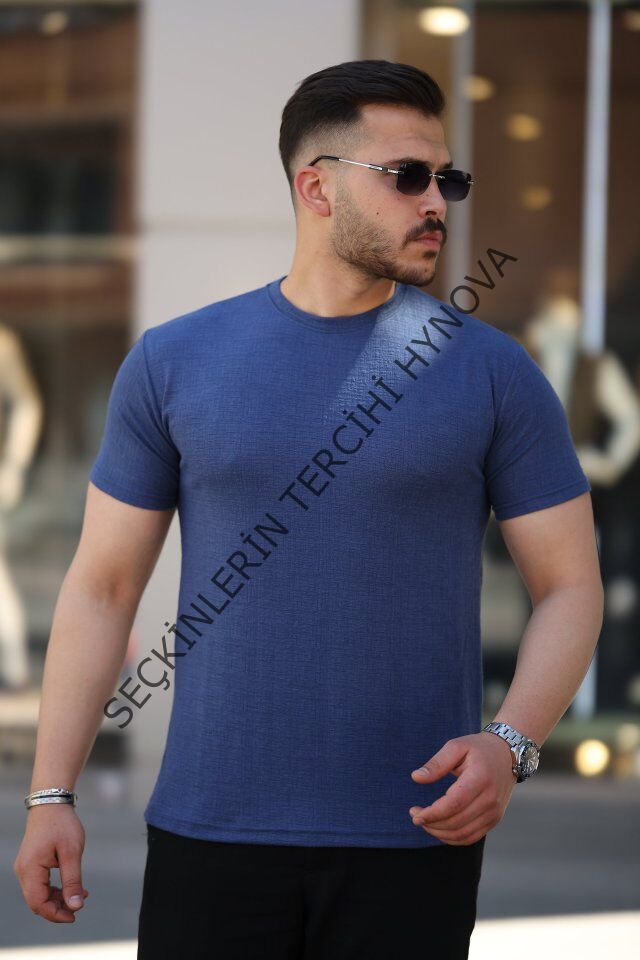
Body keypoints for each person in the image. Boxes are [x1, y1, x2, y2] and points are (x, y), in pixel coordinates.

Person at [13, 59, 604, 959]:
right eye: (408, 176)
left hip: (415, 837)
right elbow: (101, 589)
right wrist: (51, 793)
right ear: (316, 187)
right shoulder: (173, 362)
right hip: (209, 835)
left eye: (447, 179)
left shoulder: (495, 374)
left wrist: (510, 743)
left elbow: (569, 586)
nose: (436, 202)